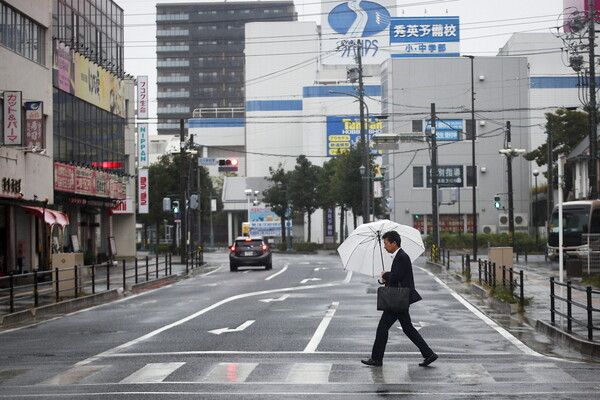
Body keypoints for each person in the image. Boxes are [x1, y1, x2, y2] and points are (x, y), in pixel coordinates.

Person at [361, 230, 438, 367]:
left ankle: (377, 359)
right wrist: (386, 279)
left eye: (386, 243)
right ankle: (429, 354)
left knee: (382, 328)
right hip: (400, 298)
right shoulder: (399, 256)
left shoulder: (402, 257)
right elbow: (398, 277)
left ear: (394, 243)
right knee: (408, 328)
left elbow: (397, 277)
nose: (384, 247)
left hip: (398, 299)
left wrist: (387, 274)